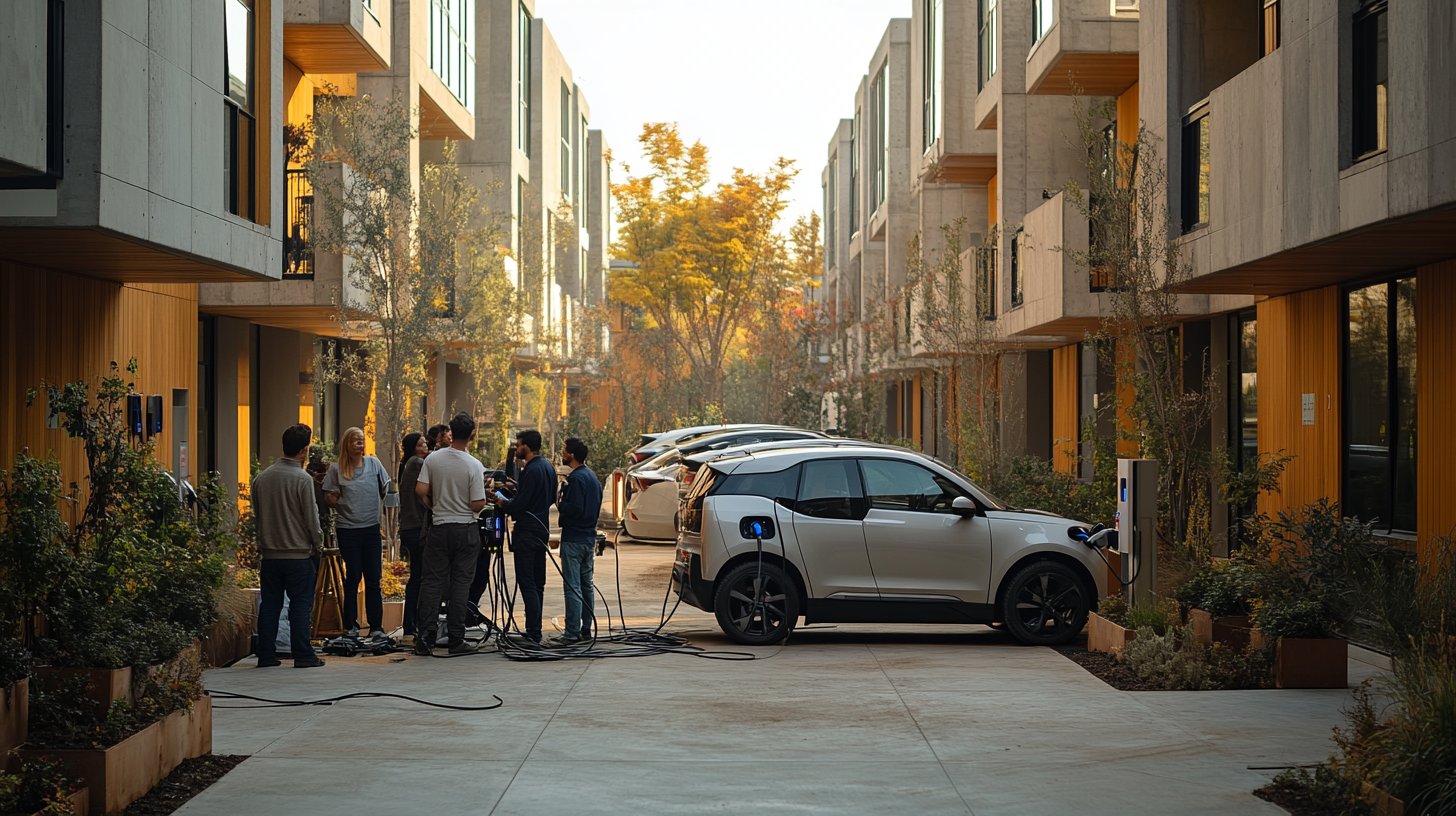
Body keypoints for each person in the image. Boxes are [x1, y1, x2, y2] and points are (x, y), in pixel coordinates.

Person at [414, 412, 489, 655]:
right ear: (472, 435)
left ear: (450, 432)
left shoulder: (433, 459)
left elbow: (420, 489)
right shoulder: (474, 465)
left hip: (439, 527)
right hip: (465, 528)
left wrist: (433, 505)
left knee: (432, 582)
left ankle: (425, 638)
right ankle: (456, 639)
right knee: (460, 584)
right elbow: (478, 503)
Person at [252, 424, 326, 668]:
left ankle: (266, 654)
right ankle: (303, 654)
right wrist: (318, 545)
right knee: (301, 604)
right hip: (298, 554)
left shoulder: (261, 479)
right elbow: (311, 519)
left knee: (270, 605)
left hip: (271, 555)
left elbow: (258, 516)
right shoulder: (303, 480)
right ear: (304, 450)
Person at [322, 426, 391, 639]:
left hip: (371, 529)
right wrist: (343, 502)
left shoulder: (374, 464)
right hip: (348, 529)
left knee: (373, 579)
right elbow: (328, 496)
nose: (359, 444)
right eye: (355, 440)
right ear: (346, 444)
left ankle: (376, 627)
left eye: (361, 440)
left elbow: (385, 489)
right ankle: (350, 626)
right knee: (352, 578)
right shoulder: (337, 469)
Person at [494, 429, 556, 644]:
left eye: (518, 444)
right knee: (538, 583)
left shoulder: (531, 469)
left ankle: (533, 633)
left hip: (527, 533)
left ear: (526, 446)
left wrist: (503, 502)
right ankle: (535, 630)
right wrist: (518, 490)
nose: (517, 448)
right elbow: (546, 497)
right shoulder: (548, 467)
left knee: (527, 582)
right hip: (541, 529)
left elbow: (520, 506)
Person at [552, 437, 602, 646]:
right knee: (586, 585)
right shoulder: (592, 478)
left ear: (571, 454)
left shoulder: (575, 480)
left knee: (573, 586)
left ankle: (571, 632)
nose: (563, 454)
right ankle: (585, 628)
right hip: (589, 538)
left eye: (564, 450)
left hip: (573, 539)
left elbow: (574, 509)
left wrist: (559, 502)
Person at [396, 432, 430, 644]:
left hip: (409, 528)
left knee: (417, 576)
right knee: (419, 577)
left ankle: (412, 625)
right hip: (417, 528)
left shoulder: (408, 464)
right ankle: (412, 625)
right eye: (421, 444)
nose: (425, 446)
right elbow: (422, 495)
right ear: (412, 448)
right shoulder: (417, 463)